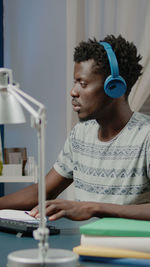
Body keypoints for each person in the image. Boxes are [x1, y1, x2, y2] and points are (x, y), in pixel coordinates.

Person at [1, 34, 150, 221]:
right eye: (75, 82)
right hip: (83, 244)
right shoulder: (80, 135)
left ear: (114, 88)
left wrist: (93, 208)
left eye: (83, 83)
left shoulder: (146, 136)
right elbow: (40, 192)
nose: (73, 91)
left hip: (128, 248)